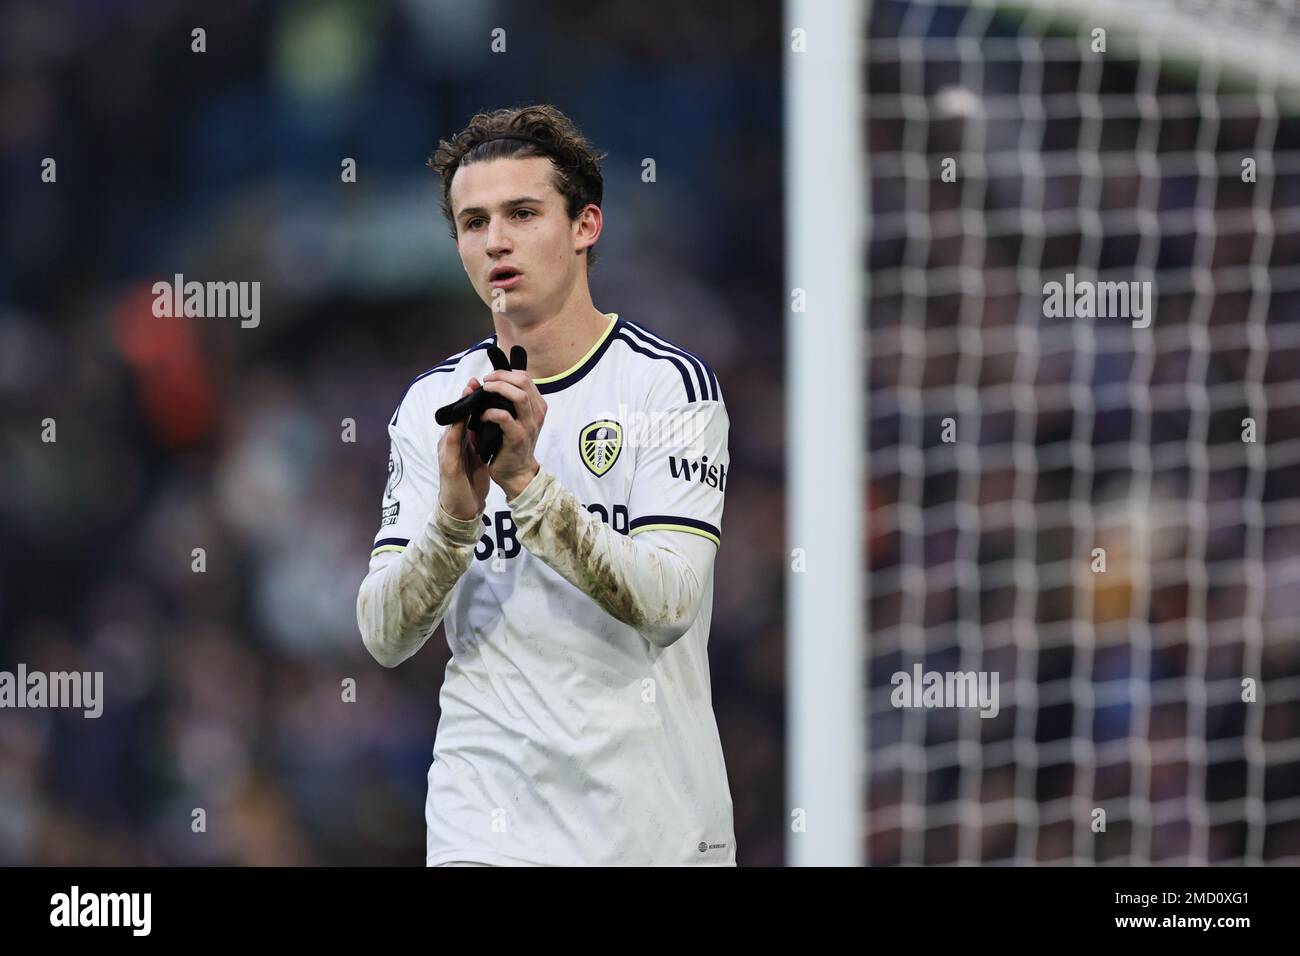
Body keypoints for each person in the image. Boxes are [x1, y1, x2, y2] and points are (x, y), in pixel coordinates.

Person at [356, 104, 735, 866]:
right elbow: (385, 636)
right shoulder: (431, 404)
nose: (495, 240)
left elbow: (666, 605)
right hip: (485, 823)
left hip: (649, 828)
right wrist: (454, 525)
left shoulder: (668, 388)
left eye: (522, 213)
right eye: (473, 222)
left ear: (585, 226)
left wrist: (527, 483)